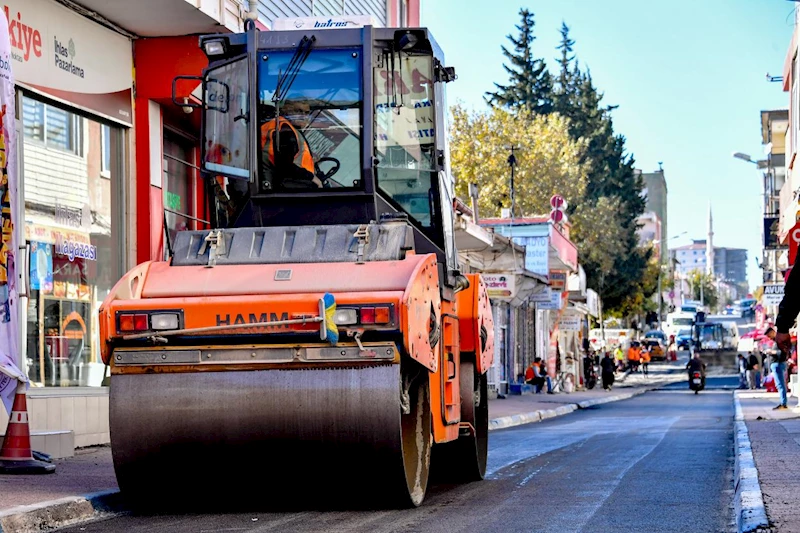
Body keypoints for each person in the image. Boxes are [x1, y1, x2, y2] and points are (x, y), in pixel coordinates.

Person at [765, 327, 789, 410]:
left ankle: (783, 403)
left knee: (780, 384)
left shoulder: (779, 341)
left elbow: (781, 353)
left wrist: (770, 351)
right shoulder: (777, 341)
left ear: (772, 332)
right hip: (777, 364)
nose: (769, 338)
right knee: (779, 384)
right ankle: (783, 402)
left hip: (778, 364)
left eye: (769, 335)